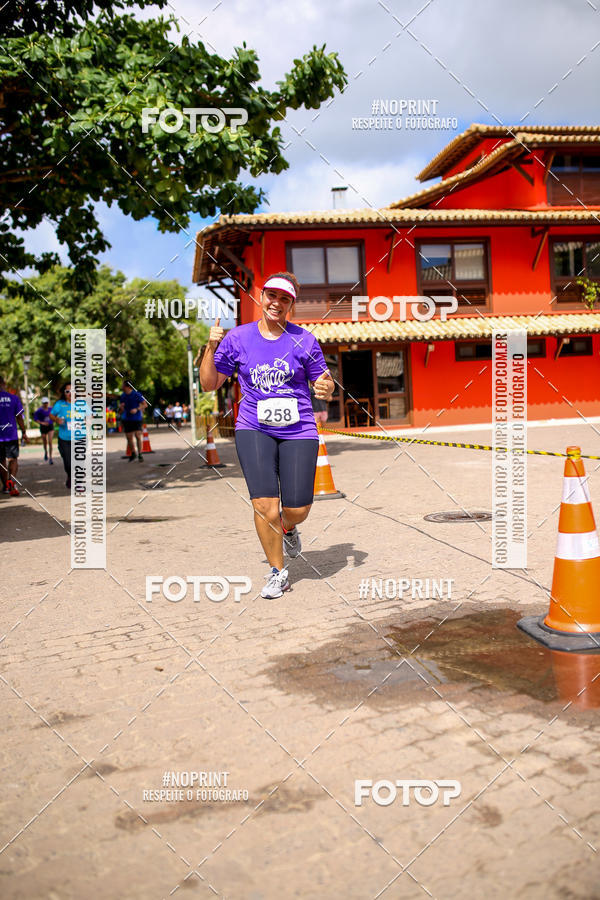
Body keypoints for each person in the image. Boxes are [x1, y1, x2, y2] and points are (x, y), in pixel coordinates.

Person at [200, 271, 335, 599]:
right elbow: (209, 383)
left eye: (284, 298)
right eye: (272, 295)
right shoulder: (238, 338)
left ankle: (288, 527)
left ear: (291, 305)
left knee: (298, 508)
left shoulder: (304, 340)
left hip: (298, 429)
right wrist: (211, 346)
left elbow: (325, 381)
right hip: (254, 427)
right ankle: (278, 572)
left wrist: (327, 388)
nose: (276, 302)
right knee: (264, 505)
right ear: (261, 297)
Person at [0, 375, 28, 496]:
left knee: (1, 461)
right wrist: (24, 432)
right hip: (11, 434)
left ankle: (6, 486)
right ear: (4, 384)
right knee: (13, 459)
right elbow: (19, 417)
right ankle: (11, 482)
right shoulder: (13, 398)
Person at [50, 382, 73, 489]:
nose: (70, 393)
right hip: (64, 438)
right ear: (64, 393)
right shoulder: (60, 404)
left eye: (73, 391)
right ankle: (70, 475)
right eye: (68, 391)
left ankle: (78, 482)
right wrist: (56, 419)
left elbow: (90, 415)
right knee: (68, 463)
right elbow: (51, 415)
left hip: (80, 437)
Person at [119, 380, 147, 461]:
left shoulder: (136, 394)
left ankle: (140, 454)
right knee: (129, 437)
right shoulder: (123, 396)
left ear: (128, 386)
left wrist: (137, 409)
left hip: (136, 418)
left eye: (123, 385)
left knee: (138, 436)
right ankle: (134, 453)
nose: (122, 386)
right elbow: (121, 409)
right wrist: (121, 408)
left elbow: (145, 405)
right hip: (127, 419)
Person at [33, 396, 54, 463]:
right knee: (45, 441)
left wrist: (53, 420)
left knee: (50, 441)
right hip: (43, 427)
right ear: (42, 403)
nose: (46, 404)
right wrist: (42, 423)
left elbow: (55, 416)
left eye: (47, 402)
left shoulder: (51, 409)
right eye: (44, 403)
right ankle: (45, 452)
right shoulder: (39, 410)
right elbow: (35, 418)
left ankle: (50, 457)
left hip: (50, 426)